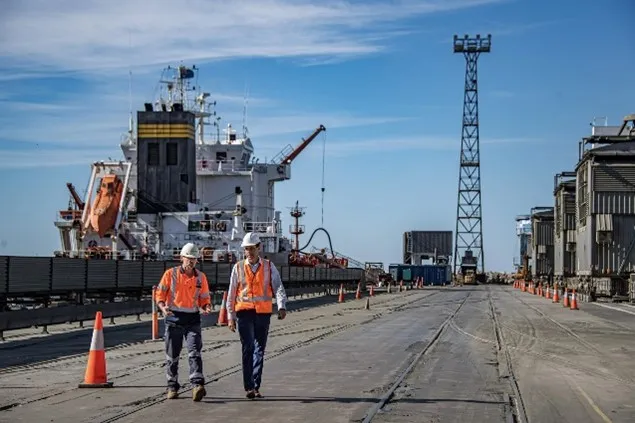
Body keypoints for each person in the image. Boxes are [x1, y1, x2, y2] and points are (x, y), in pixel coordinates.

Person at [226, 232, 288, 399]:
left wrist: (281, 306)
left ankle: (255, 385)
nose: (249, 252)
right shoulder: (238, 267)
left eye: (252, 249)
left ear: (259, 248)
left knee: (259, 350)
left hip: (263, 313)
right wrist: (230, 316)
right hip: (244, 313)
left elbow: (278, 287)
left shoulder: (269, 266)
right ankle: (249, 387)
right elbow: (231, 293)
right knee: (248, 348)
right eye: (246, 249)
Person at [155, 243, 212, 401]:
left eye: (194, 259)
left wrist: (206, 306)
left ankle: (197, 385)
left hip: (192, 319)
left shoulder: (201, 277)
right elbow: (160, 294)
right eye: (189, 258)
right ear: (182, 258)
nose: (191, 262)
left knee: (195, 352)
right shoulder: (170, 274)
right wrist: (162, 307)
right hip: (174, 318)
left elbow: (204, 298)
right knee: (172, 356)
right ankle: (172, 386)